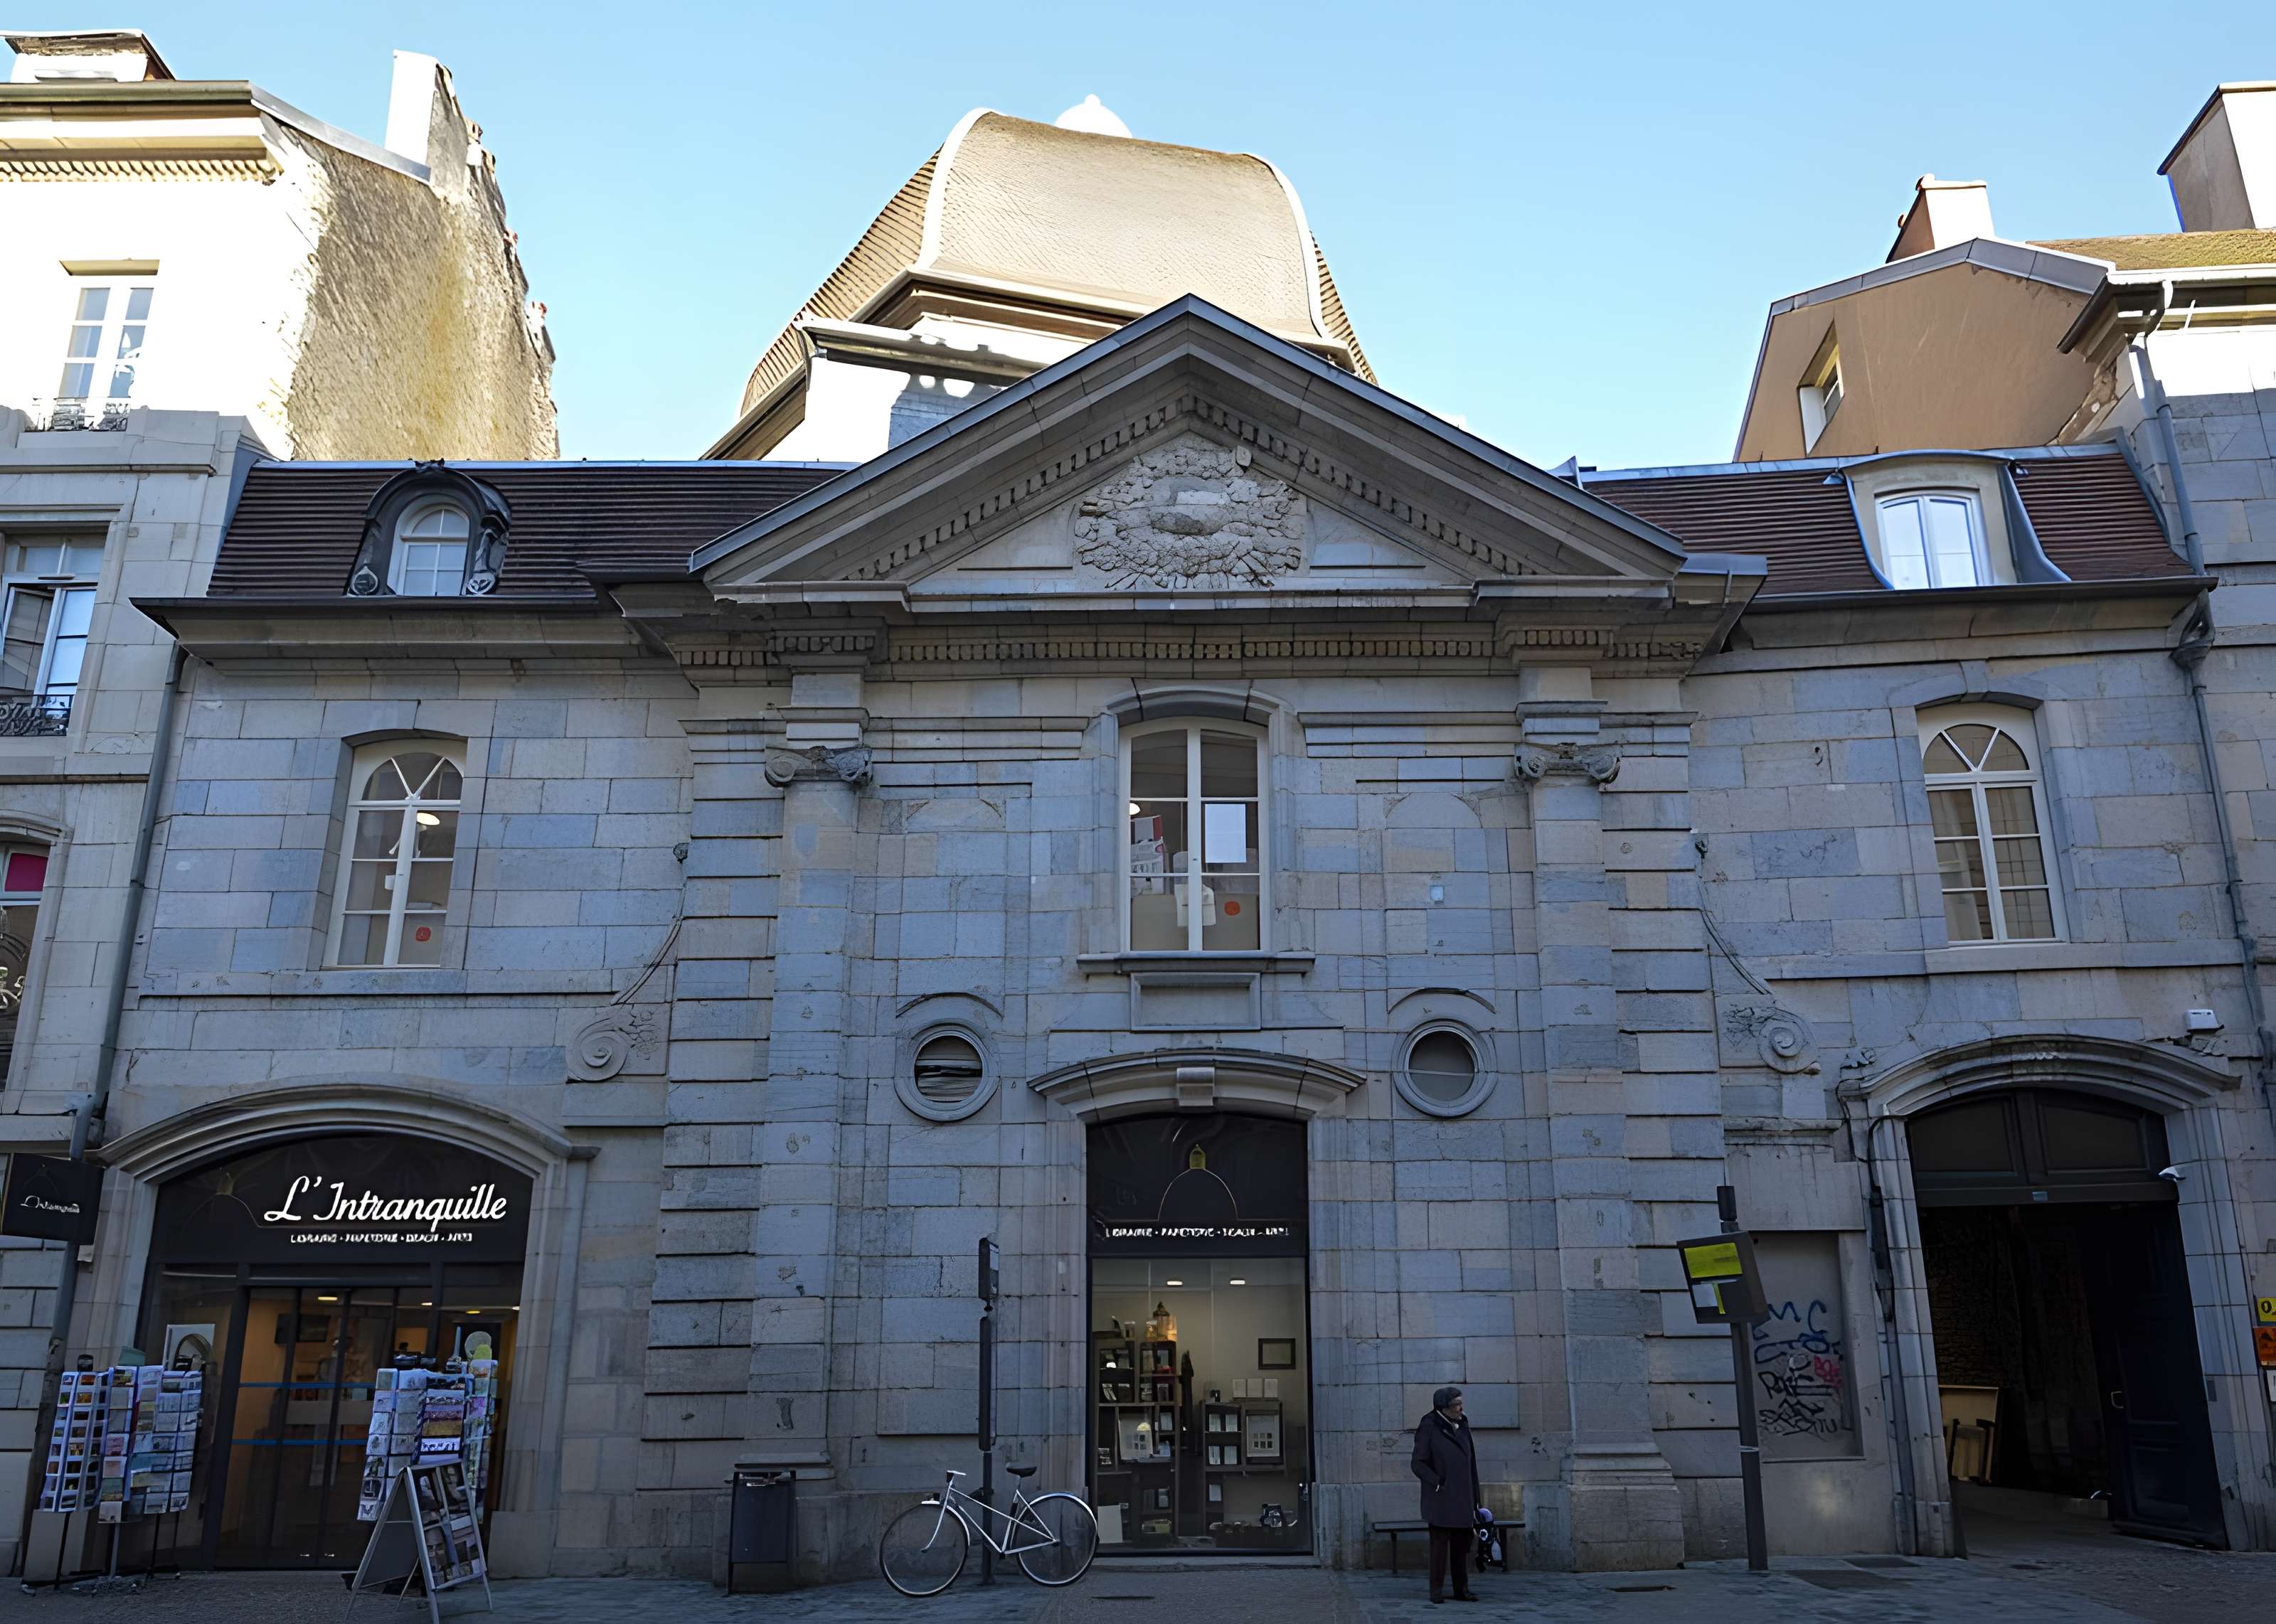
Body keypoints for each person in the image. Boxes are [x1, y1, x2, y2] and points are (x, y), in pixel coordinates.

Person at [1410, 1384, 1484, 1603]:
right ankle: (1436, 1591)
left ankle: (1462, 1590)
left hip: (1463, 1496)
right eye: (1456, 1404)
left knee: (1462, 1546)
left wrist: (1475, 1497)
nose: (1461, 1408)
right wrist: (1438, 1483)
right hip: (1440, 1498)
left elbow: (1471, 1463)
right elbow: (1418, 1463)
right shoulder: (1429, 1425)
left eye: (1461, 1403)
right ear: (1443, 1407)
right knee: (1439, 1547)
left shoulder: (1463, 1424)